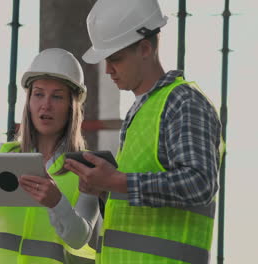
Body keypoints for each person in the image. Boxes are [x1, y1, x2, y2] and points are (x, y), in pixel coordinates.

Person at [64, 0, 224, 263]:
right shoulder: (141, 111)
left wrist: (117, 181)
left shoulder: (184, 103)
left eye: (115, 59)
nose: (108, 70)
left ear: (145, 48)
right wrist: (104, 189)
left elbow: (200, 183)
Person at [0, 48, 100, 264]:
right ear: (29, 101)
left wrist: (56, 202)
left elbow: (79, 238)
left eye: (57, 96)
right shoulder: (3, 156)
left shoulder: (87, 167)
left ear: (72, 106)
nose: (46, 105)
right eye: (39, 94)